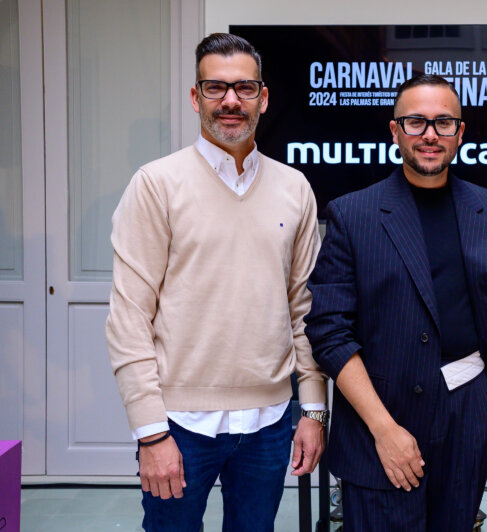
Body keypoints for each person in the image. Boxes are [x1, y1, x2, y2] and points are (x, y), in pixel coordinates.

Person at [106, 33, 328, 532]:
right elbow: (129, 319)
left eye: (245, 88)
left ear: (263, 98)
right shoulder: (156, 184)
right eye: (216, 87)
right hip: (178, 427)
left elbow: (304, 310)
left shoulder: (294, 189)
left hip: (270, 424)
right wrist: (150, 435)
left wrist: (313, 407)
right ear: (195, 97)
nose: (231, 100)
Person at [304, 74, 487, 532]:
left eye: (443, 123)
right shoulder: (353, 213)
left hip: (467, 416)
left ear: (461, 132)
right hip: (379, 419)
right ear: (394, 130)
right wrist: (384, 430)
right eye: (416, 121)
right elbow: (329, 331)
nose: (429, 134)